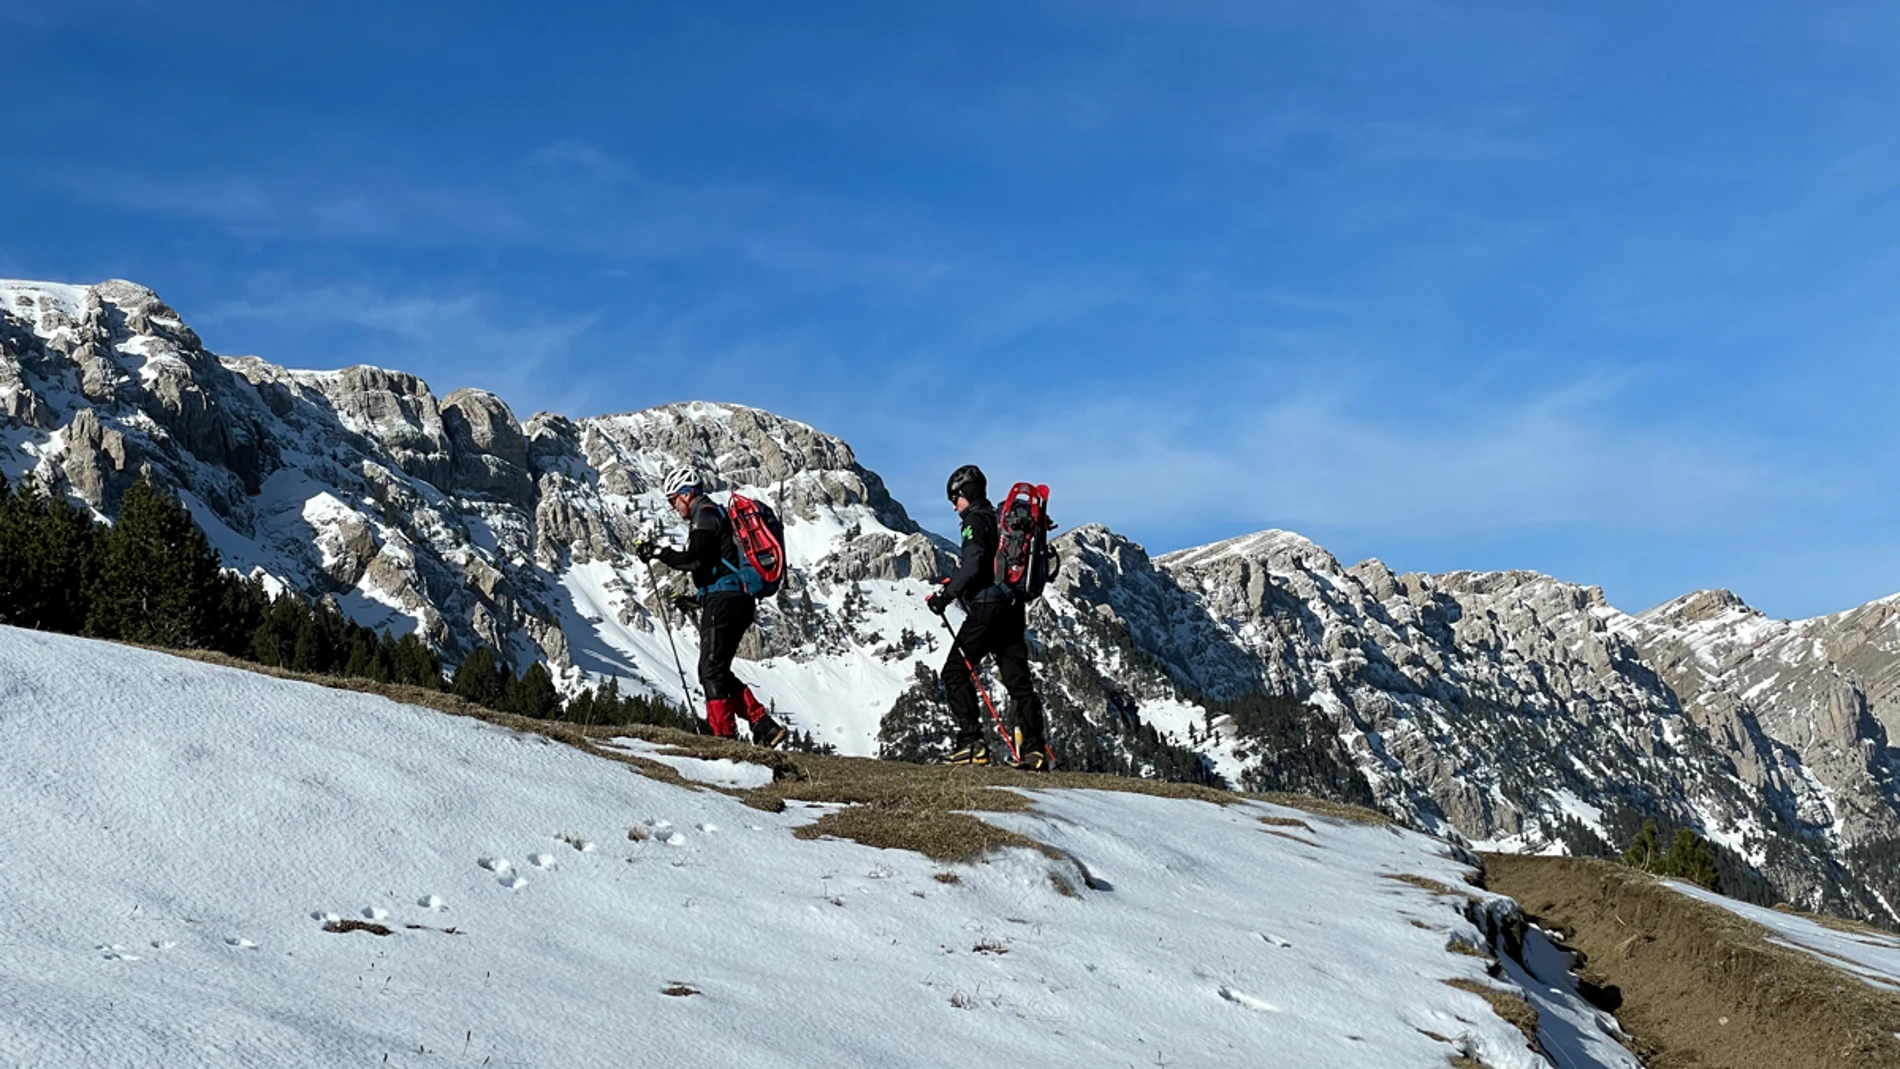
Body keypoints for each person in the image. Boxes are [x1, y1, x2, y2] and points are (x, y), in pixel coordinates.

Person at [635, 467, 788, 747]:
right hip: (730, 599)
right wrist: (696, 599)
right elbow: (716, 565)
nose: (672, 507)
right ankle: (763, 726)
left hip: (726, 601)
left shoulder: (704, 514)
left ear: (686, 493)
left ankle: (724, 739)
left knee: (710, 670)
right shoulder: (711, 514)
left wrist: (658, 552)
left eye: (673, 500)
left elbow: (696, 560)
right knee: (717, 669)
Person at [925, 464, 1049, 770]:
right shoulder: (998, 519)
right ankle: (1035, 752)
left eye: (955, 498)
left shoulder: (973, 521)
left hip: (986, 611)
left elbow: (974, 563)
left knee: (954, 672)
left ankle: (972, 744)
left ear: (967, 493)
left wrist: (946, 596)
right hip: (1012, 609)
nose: (954, 505)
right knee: (1019, 685)